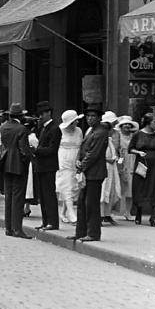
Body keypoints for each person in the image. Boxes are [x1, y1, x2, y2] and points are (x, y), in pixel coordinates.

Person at [69, 104, 109, 242]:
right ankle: (81, 231)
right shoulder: (91, 131)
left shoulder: (101, 132)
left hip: (95, 172)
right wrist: (78, 161)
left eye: (93, 116)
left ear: (99, 118)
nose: (90, 119)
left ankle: (93, 233)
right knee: (82, 203)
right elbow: (83, 149)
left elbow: (94, 153)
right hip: (88, 171)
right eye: (88, 116)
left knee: (91, 204)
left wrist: (82, 165)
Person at [0, 103, 32, 239]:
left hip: (6, 163)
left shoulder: (4, 127)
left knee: (8, 197)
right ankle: (17, 228)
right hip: (18, 165)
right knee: (18, 198)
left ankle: (8, 228)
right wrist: (28, 158)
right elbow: (23, 150)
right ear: (21, 116)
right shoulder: (22, 129)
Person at [129, 112, 155, 227]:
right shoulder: (138, 134)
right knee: (139, 188)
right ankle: (139, 212)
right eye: (154, 122)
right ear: (148, 123)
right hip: (142, 165)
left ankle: (153, 217)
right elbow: (130, 149)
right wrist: (138, 152)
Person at [32, 101, 62, 231]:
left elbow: (52, 149)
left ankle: (52, 222)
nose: (40, 116)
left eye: (43, 114)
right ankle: (45, 221)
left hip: (49, 166)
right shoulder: (42, 128)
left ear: (49, 113)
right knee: (42, 196)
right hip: (40, 165)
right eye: (39, 114)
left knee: (49, 194)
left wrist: (36, 149)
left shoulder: (55, 128)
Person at [56, 109, 83, 224]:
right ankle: (72, 214)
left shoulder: (79, 131)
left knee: (73, 186)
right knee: (66, 186)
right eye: (74, 121)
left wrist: (79, 159)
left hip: (75, 159)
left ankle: (62, 212)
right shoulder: (60, 131)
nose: (76, 123)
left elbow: (81, 145)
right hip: (63, 159)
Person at [114, 115, 138, 221]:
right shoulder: (118, 136)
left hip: (133, 160)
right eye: (125, 124)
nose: (127, 126)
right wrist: (120, 164)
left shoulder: (134, 136)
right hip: (122, 160)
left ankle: (128, 212)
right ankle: (117, 211)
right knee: (120, 187)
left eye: (129, 124)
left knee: (131, 188)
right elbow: (117, 151)